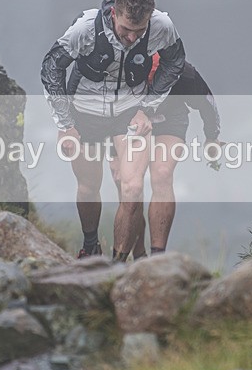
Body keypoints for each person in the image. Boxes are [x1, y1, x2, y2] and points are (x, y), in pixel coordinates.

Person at [41, 0, 185, 261]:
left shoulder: (162, 26)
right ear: (113, 14)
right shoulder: (85, 27)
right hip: (84, 111)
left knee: (132, 187)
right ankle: (90, 246)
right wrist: (65, 124)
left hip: (129, 111)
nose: (131, 37)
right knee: (88, 185)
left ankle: (118, 264)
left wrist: (147, 108)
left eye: (139, 31)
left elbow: (174, 62)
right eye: (125, 29)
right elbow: (51, 67)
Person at [69, 59, 221, 258]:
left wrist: (211, 138)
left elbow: (207, 102)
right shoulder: (119, 69)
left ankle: (157, 256)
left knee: (162, 174)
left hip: (169, 119)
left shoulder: (183, 72)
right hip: (127, 119)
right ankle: (138, 251)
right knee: (126, 183)